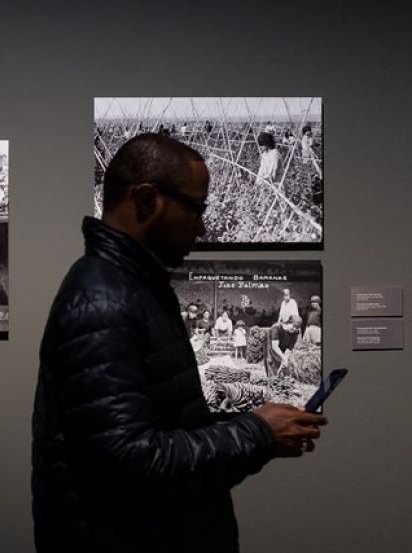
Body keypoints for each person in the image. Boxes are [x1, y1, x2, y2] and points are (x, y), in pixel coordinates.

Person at [32, 133, 327, 553]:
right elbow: (131, 461)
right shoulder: (103, 299)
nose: (203, 225)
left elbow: (161, 430)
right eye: (196, 208)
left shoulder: (130, 287)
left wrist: (255, 426)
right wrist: (257, 433)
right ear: (147, 200)